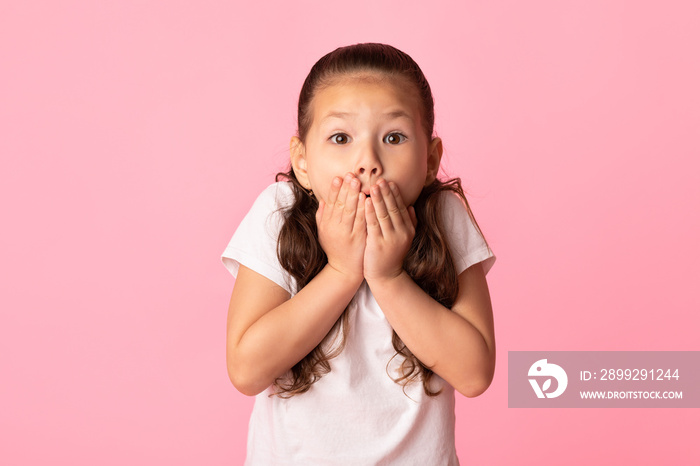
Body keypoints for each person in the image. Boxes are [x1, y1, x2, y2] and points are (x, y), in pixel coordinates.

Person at [221, 43, 496, 465]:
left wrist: (388, 277)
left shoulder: (444, 215)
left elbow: (475, 374)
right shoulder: (279, 211)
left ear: (430, 159)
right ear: (303, 162)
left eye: (394, 137)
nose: (367, 161)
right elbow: (246, 370)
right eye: (340, 138)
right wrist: (342, 270)